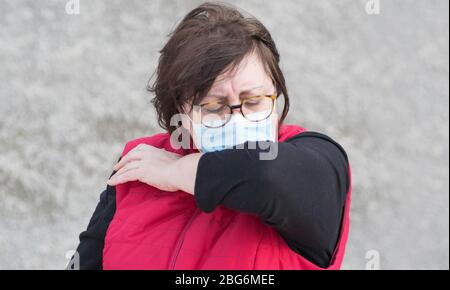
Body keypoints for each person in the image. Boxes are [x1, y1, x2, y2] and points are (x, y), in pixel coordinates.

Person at [71, 2, 352, 270]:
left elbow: (265, 176)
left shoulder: (318, 161)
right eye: (214, 107)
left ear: (276, 93)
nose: (238, 118)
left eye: (254, 101)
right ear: (179, 109)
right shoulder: (142, 164)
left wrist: (177, 171)